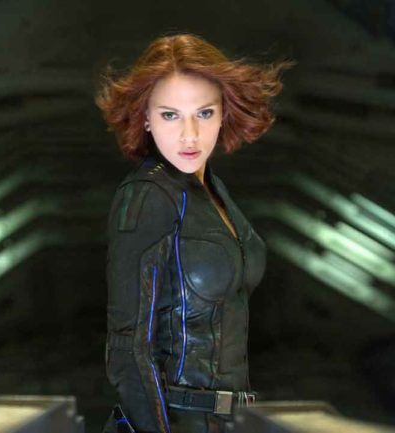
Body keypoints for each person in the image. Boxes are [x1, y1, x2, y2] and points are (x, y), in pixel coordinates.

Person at [96, 33, 292, 433]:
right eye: (170, 115)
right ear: (146, 118)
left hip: (228, 420)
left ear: (223, 113)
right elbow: (128, 348)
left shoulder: (213, 191)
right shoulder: (148, 195)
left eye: (203, 113)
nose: (189, 135)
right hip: (175, 422)